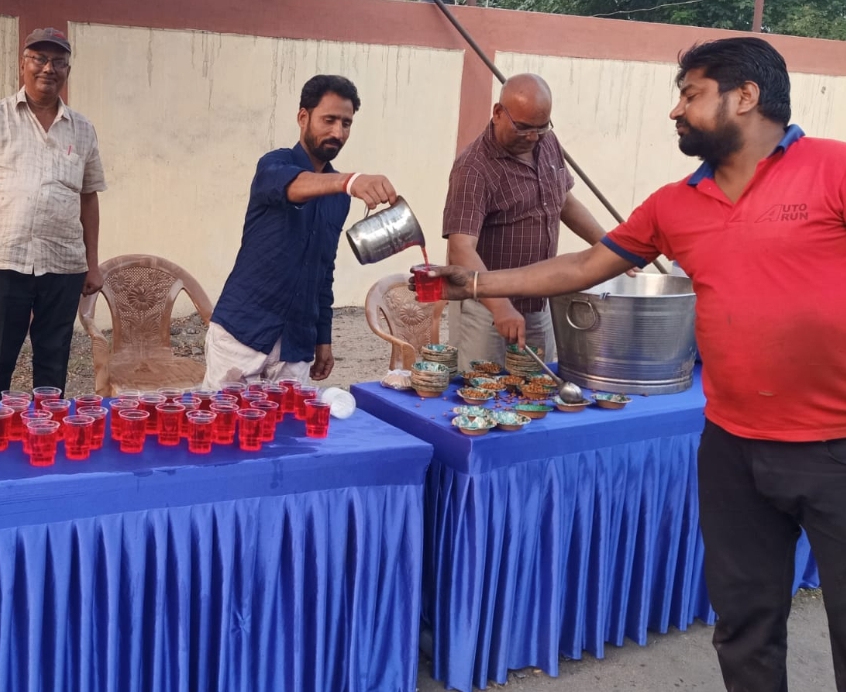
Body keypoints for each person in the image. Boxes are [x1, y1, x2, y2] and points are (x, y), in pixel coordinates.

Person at [421, 37, 846, 692]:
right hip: (731, 447)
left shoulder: (831, 169)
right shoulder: (676, 203)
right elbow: (584, 265)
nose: (676, 111)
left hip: (834, 446)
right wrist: (477, 284)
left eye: (691, 95)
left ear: (746, 96)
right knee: (744, 625)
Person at [204, 74, 398, 389]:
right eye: (329, 120)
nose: (338, 132)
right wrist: (350, 181)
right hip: (242, 334)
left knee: (291, 422)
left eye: (346, 123)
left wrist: (323, 339)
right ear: (303, 117)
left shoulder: (339, 197)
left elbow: (323, 270)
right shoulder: (273, 165)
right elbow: (293, 186)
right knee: (226, 421)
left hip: (296, 345)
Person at [0, 27, 106, 402]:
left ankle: (47, 430)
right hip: (4, 261)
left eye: (58, 61)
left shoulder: (83, 129)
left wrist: (92, 263)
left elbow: (88, 199)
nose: (48, 68)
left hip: (64, 265)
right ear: (23, 65)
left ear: (67, 70)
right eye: (39, 59)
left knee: (53, 363)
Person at [443, 73, 609, 367]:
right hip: (486, 310)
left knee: (536, 386)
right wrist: (500, 307)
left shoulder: (548, 143)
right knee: (482, 388)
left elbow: (565, 202)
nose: (532, 137)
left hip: (538, 302)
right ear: (498, 113)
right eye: (523, 128)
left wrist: (610, 246)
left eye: (541, 128)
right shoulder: (473, 168)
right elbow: (461, 249)